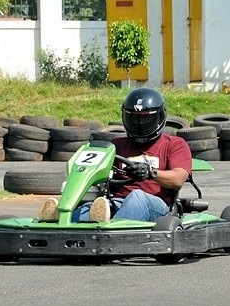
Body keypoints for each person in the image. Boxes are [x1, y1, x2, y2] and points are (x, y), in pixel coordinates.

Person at [39, 87, 192, 222]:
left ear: (159, 117)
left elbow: (178, 179)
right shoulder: (117, 145)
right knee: (91, 208)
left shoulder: (174, 144)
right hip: (116, 202)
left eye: (145, 118)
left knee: (136, 196)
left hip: (156, 206)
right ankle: (58, 221)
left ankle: (109, 231)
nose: (139, 124)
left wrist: (150, 172)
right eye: (134, 118)